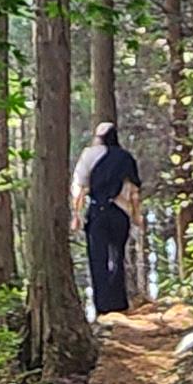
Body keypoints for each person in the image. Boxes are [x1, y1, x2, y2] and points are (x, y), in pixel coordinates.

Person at [71, 117, 145, 317]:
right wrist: (137, 215)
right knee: (117, 256)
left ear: (99, 137)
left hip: (96, 212)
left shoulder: (89, 156)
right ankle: (119, 304)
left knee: (98, 259)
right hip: (120, 212)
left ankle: (102, 307)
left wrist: (76, 215)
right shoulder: (125, 157)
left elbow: (79, 188)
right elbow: (134, 189)